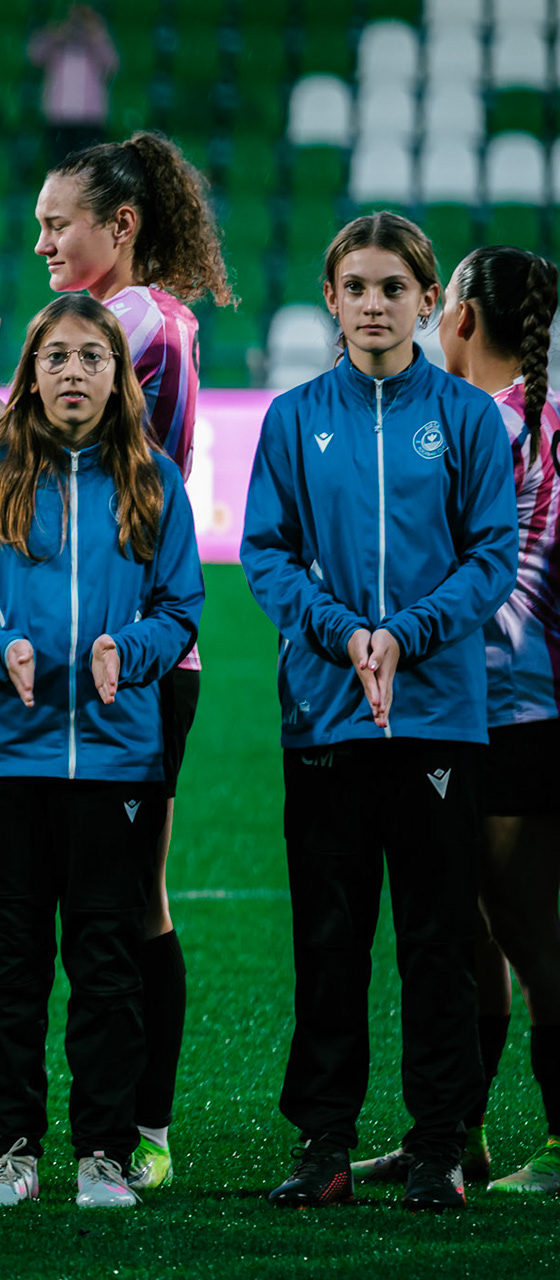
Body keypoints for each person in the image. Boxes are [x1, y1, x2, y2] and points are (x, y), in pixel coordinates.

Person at [0, 130, 231, 1193]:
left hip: (128, 669)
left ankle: (132, 1130)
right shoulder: (123, 313)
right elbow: (17, 458)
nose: (39, 241)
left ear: (118, 227)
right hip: (24, 663)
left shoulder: (135, 322)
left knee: (127, 905)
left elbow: (27, 441)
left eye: (55, 222)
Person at [240, 213, 518, 1212]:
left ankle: (439, 1142)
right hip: (325, 715)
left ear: (428, 298)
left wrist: (405, 632)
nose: (373, 303)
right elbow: (263, 553)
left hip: (439, 714)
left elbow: (491, 556)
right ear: (330, 298)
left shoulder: (471, 419)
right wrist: (342, 633)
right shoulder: (292, 418)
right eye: (355, 286)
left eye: (394, 287)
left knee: (440, 938)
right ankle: (322, 1144)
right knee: (328, 937)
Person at [0, 294, 203, 1211]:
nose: (73, 372)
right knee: (9, 970)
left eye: (93, 356)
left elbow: (182, 611)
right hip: (5, 757)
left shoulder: (155, 479)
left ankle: (102, 1154)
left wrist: (126, 655)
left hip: (119, 763)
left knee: (105, 965)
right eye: (55, 356)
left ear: (119, 373)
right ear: (32, 372)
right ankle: (14, 1152)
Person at [353, 245, 560, 1195]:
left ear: (464, 318)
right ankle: (459, 1134)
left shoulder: (479, 425)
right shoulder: (532, 421)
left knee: (523, 930)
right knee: (472, 922)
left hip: (507, 707)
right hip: (496, 703)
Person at [30, 4, 118, 163]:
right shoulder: (56, 43)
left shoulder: (96, 41)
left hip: (90, 118)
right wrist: (58, 32)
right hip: (59, 117)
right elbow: (35, 55)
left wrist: (95, 32)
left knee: (88, 170)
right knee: (59, 166)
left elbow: (112, 63)